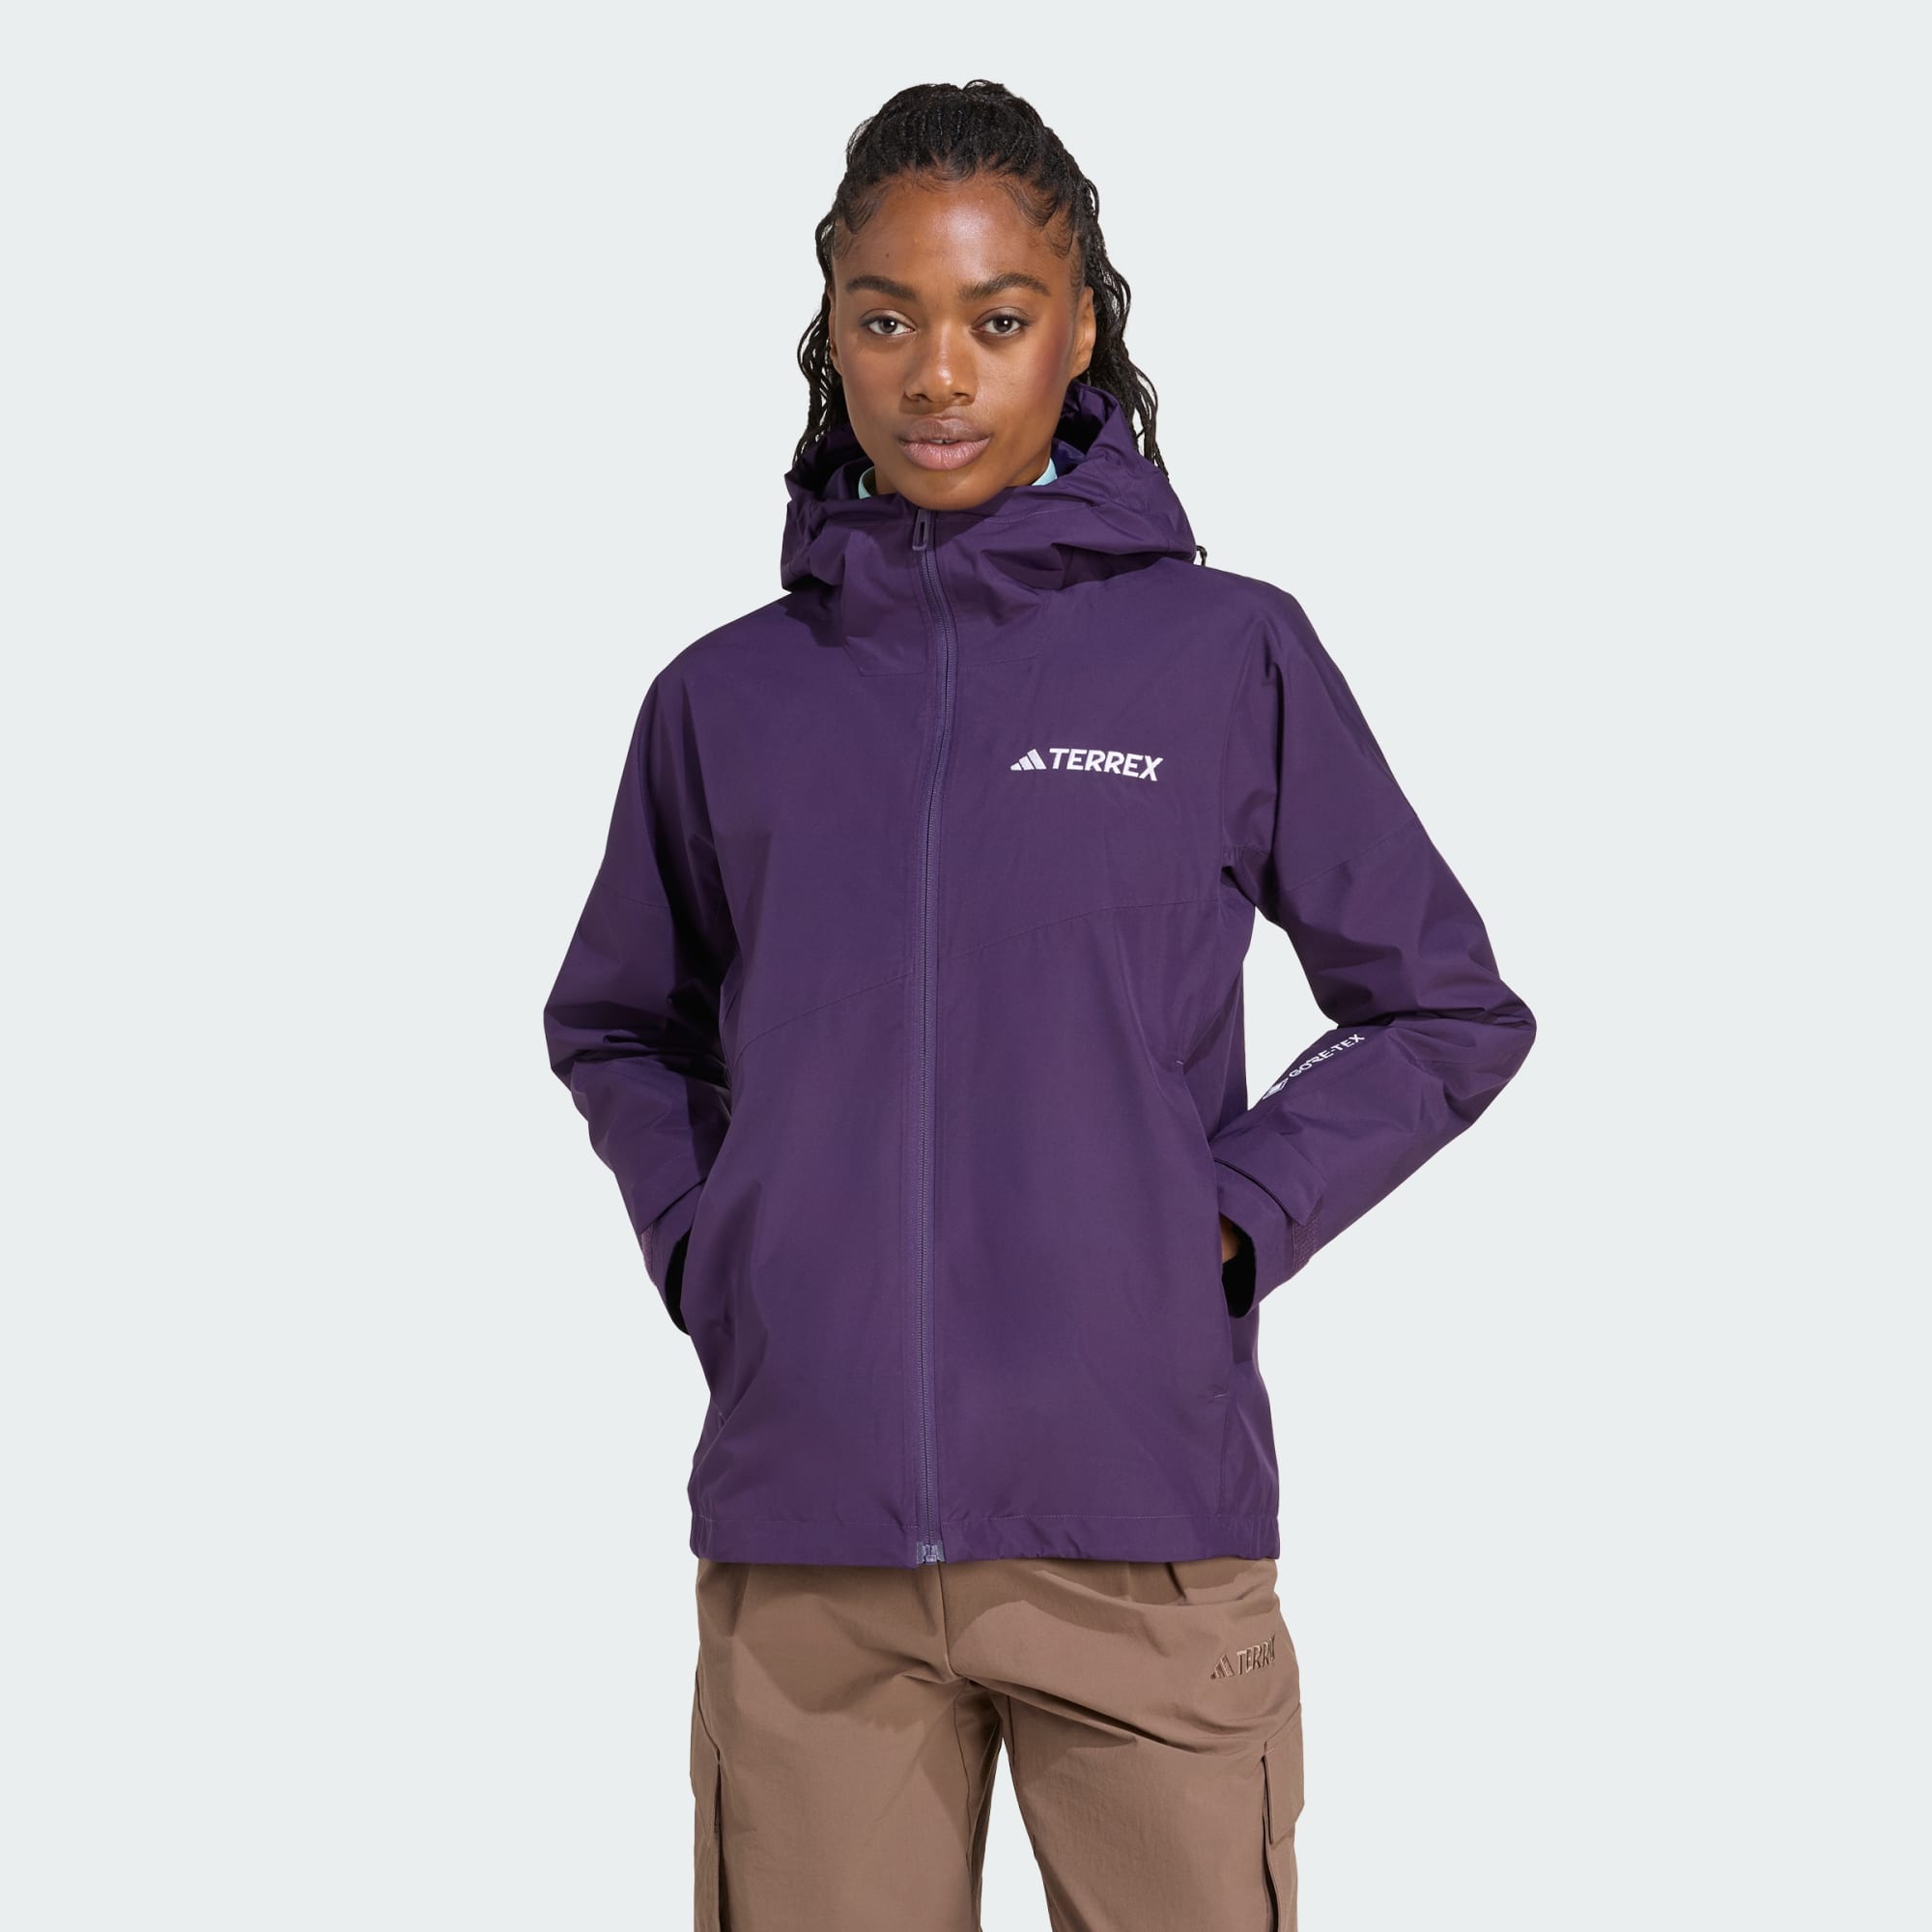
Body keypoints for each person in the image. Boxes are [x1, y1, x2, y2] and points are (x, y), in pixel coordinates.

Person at [542, 77, 1535, 1932]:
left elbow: (1444, 1011)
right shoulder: (725, 701)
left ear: (1080, 332)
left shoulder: (1224, 654)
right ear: (830, 335)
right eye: (887, 320)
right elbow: (618, 1025)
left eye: (997, 320)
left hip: (1137, 1538)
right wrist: (715, 1247)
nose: (939, 374)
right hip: (811, 1552)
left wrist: (1224, 1222)